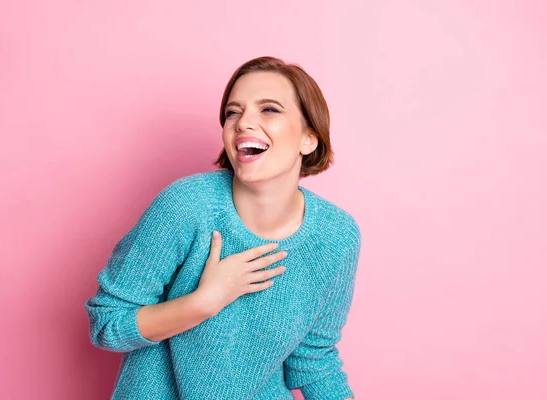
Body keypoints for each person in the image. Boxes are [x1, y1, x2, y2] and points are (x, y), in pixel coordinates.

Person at [84, 56, 361, 400]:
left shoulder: (336, 237)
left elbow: (315, 361)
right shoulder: (186, 206)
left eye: (269, 109)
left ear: (309, 138)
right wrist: (203, 303)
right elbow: (108, 324)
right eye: (233, 112)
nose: (244, 122)